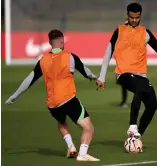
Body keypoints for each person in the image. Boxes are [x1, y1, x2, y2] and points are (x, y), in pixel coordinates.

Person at [96, 3, 157, 139]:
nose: (134, 20)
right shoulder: (119, 30)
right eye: (132, 17)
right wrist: (102, 77)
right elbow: (108, 52)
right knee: (139, 87)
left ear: (140, 16)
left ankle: (136, 137)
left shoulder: (145, 33)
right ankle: (132, 126)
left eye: (137, 17)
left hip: (141, 75)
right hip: (123, 73)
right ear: (127, 15)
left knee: (152, 105)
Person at [5, 29, 100, 162]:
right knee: (88, 128)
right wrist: (96, 78)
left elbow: (28, 81)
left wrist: (14, 96)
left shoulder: (43, 61)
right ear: (62, 41)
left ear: (50, 43)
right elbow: (86, 71)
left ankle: (71, 147)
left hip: (52, 104)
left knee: (61, 122)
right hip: (68, 99)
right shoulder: (70, 56)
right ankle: (82, 154)